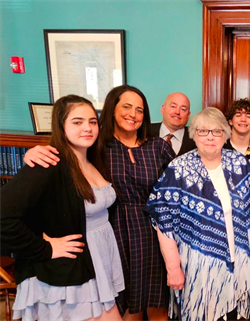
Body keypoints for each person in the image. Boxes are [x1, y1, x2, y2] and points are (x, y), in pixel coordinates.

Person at [23, 85, 176, 321]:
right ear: (112, 109)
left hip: (155, 235)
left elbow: (178, 188)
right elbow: (65, 154)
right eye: (126, 106)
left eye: (139, 110)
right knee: (126, 306)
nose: (132, 114)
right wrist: (33, 152)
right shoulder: (97, 147)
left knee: (158, 304)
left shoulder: (159, 147)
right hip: (113, 234)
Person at [0, 95, 124, 320]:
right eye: (77, 122)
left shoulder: (94, 159)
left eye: (92, 121)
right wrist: (44, 248)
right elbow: (3, 216)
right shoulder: (48, 164)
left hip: (98, 261)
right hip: (70, 273)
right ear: (61, 126)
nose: (87, 128)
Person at [145, 107, 250, 321]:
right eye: (202, 131)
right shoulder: (178, 169)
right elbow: (163, 221)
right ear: (194, 134)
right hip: (196, 267)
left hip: (238, 262)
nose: (210, 137)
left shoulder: (239, 164)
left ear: (225, 134)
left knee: (233, 315)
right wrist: (173, 268)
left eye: (216, 131)